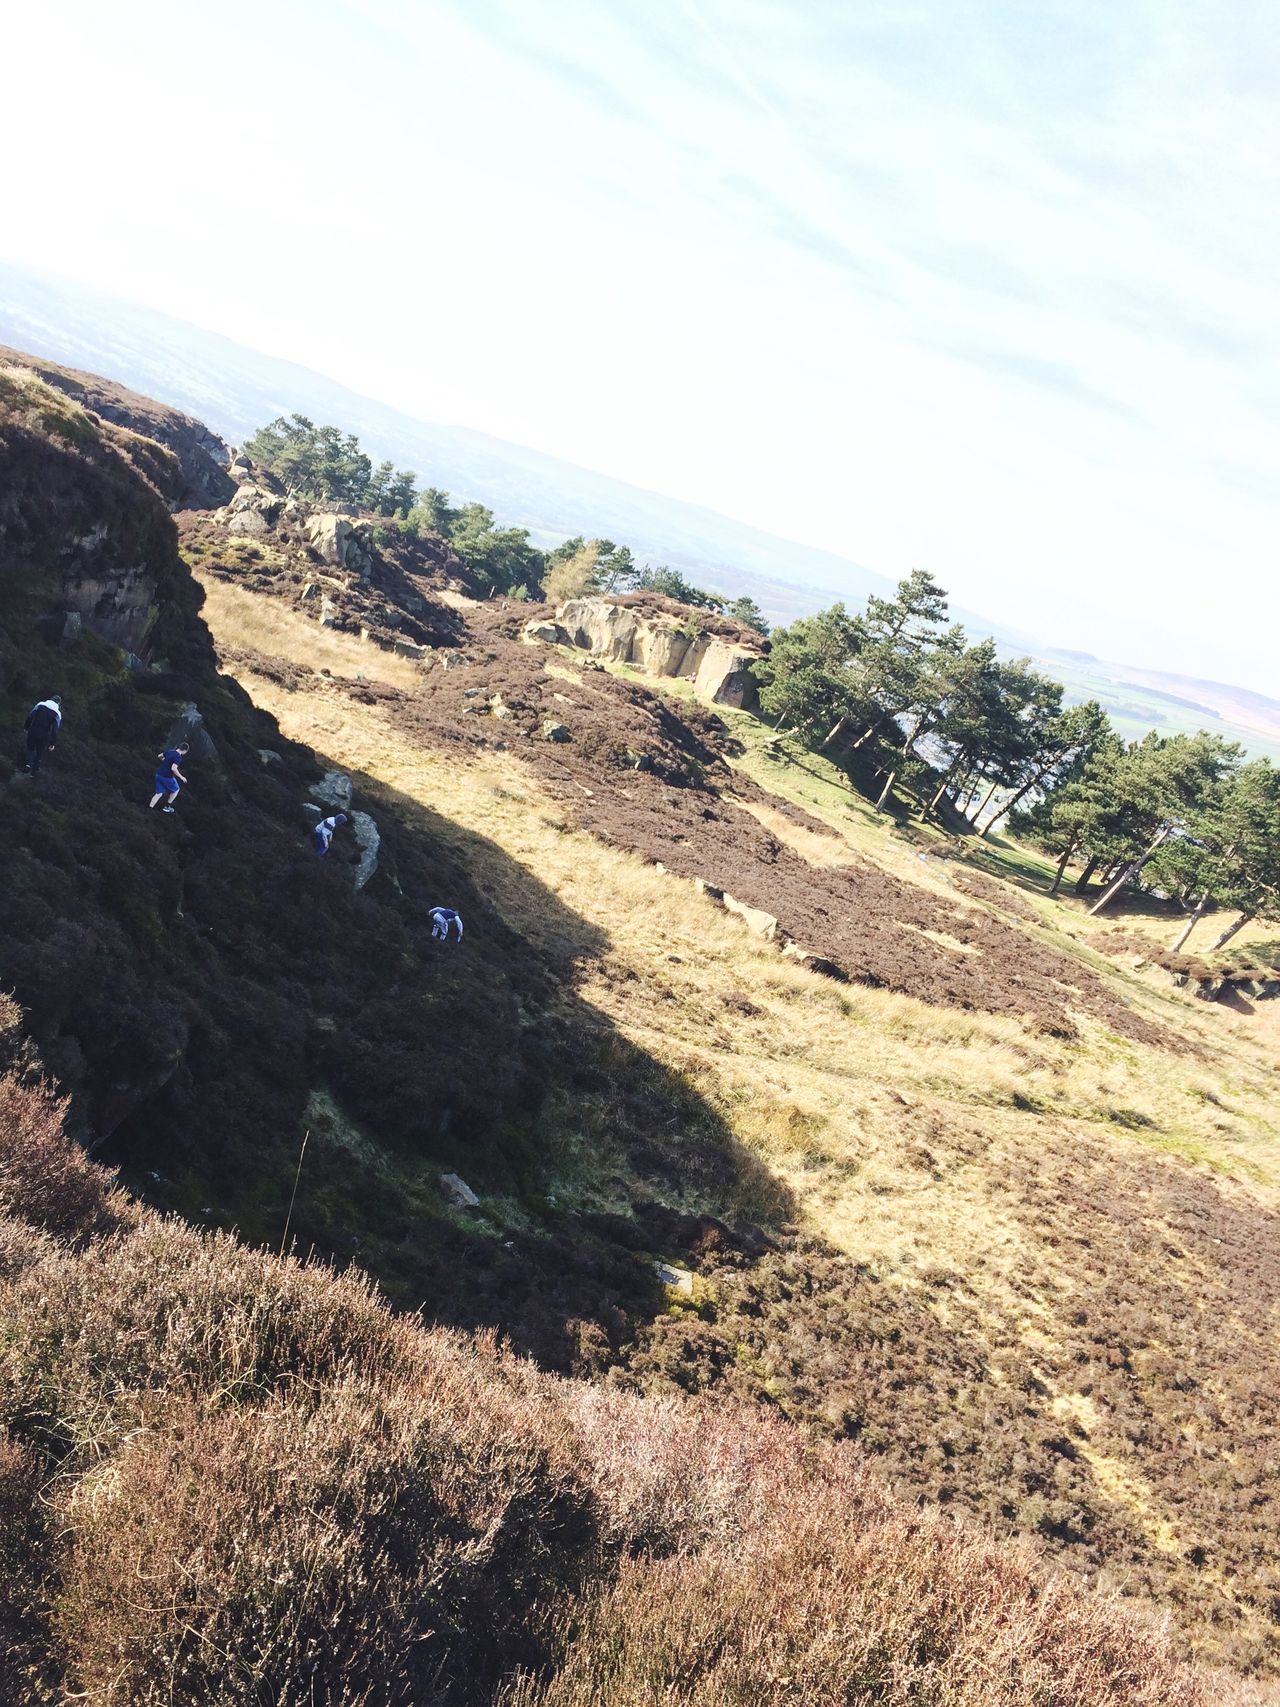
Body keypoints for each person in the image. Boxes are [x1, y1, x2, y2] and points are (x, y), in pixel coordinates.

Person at [22, 696, 62, 776]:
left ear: (51, 699)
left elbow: (30, 716)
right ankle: (33, 773)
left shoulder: (40, 704)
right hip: (44, 735)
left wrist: (26, 727)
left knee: (30, 748)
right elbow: (54, 730)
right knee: (39, 753)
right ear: (58, 703)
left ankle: (28, 765)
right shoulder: (57, 713)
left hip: (33, 730)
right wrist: (52, 743)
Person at [149, 743, 190, 813]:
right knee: (176, 789)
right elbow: (173, 768)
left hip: (158, 775)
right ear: (185, 751)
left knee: (158, 794)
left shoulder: (170, 751)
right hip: (166, 777)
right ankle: (167, 806)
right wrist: (181, 777)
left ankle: (149, 809)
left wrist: (164, 760)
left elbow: (159, 756)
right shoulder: (178, 757)